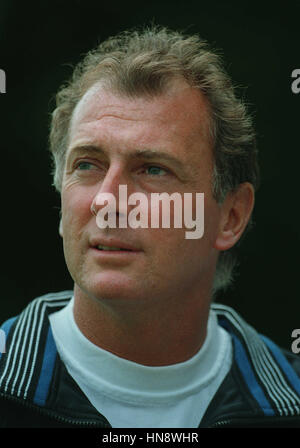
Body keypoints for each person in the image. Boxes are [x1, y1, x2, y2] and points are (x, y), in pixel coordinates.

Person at [1, 25, 300, 429]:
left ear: (230, 216)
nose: (107, 200)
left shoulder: (288, 399)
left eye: (153, 170)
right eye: (87, 165)